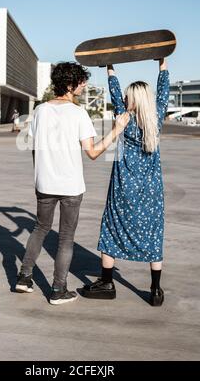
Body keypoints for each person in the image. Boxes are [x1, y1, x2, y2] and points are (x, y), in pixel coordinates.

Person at [16, 62, 130, 305]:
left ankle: (24, 277)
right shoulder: (79, 113)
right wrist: (116, 130)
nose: (85, 84)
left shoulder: (40, 110)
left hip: (44, 182)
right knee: (66, 238)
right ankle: (58, 290)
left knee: (40, 228)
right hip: (70, 186)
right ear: (69, 85)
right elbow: (93, 152)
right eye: (81, 81)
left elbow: (34, 147)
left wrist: (39, 174)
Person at [82, 59, 170, 307]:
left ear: (133, 100)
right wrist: (163, 63)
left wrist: (110, 66)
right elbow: (164, 90)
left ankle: (107, 283)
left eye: (127, 96)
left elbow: (113, 89)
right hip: (152, 191)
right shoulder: (157, 119)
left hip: (123, 187)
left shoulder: (124, 118)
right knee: (154, 234)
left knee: (111, 228)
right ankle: (155, 289)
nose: (123, 98)